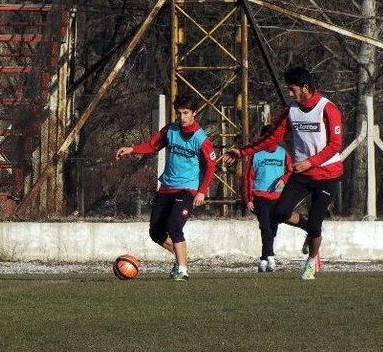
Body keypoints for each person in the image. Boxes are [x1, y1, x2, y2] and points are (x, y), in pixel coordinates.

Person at [225, 66, 343, 280]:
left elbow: (335, 145)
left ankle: (311, 260)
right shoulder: (291, 110)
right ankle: (310, 227)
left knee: (317, 225)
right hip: (303, 174)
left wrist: (310, 162)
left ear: (305, 88)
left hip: (327, 175)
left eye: (292, 89)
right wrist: (242, 152)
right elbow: (271, 139)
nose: (289, 93)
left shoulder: (328, 109)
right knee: (278, 213)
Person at [116, 95, 217, 281]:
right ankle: (182, 256)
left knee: (174, 225)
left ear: (194, 113)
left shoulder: (201, 138)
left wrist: (202, 191)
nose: (182, 117)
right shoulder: (170, 130)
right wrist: (132, 149)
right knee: (156, 232)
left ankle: (182, 270)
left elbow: (211, 165)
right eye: (179, 113)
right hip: (166, 188)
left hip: (187, 189)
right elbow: (152, 145)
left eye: (186, 113)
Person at [242, 125, 292, 272]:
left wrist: (284, 178)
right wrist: (248, 199)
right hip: (260, 196)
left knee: (273, 229)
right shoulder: (256, 155)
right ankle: (270, 255)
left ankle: (264, 259)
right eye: (266, 137)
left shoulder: (283, 154)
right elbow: (247, 178)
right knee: (265, 226)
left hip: (278, 198)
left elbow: (292, 171)